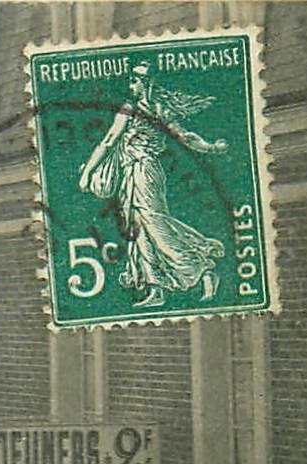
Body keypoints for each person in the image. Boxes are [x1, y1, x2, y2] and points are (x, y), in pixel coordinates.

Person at [77, 60, 228, 309]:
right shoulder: (144, 108)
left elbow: (110, 140)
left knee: (155, 225)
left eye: (135, 80)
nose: (131, 84)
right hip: (131, 172)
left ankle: (201, 269)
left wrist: (210, 147)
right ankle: (154, 288)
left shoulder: (148, 109)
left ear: (147, 83)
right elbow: (110, 140)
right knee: (138, 230)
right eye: (131, 79)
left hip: (145, 171)